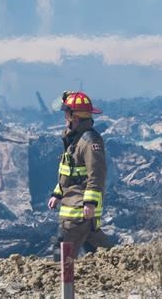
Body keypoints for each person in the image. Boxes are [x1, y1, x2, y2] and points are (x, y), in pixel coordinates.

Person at [48, 91, 113, 255]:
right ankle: (122, 268)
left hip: (78, 208)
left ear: (74, 117)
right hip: (76, 206)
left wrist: (89, 202)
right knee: (98, 251)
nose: (64, 118)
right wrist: (58, 194)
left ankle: (62, 279)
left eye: (66, 113)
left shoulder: (89, 141)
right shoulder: (74, 140)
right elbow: (70, 172)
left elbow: (97, 173)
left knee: (63, 250)